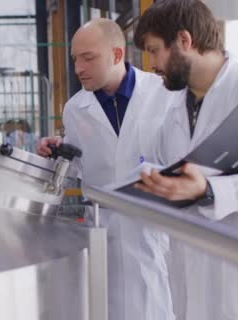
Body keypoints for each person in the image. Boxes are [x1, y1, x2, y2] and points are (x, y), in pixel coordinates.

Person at [132, 1, 238, 319]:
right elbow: (157, 160)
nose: (152, 64)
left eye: (155, 50)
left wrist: (208, 190)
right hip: (190, 260)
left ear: (184, 41)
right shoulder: (170, 104)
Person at [37, 18, 182, 320]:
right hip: (103, 230)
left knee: (155, 304)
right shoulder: (76, 108)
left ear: (117, 55)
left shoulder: (164, 94)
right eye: (75, 58)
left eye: (88, 58)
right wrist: (58, 151)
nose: (78, 68)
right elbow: (80, 162)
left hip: (153, 227)